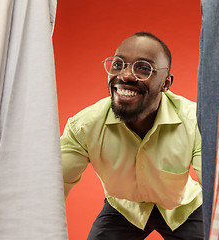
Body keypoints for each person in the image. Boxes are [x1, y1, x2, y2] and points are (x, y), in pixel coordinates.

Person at [61, 32, 203, 240]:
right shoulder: (84, 126)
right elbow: (51, 189)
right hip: (123, 208)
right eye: (118, 64)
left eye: (143, 68)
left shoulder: (195, 121)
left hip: (183, 209)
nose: (125, 76)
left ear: (166, 83)